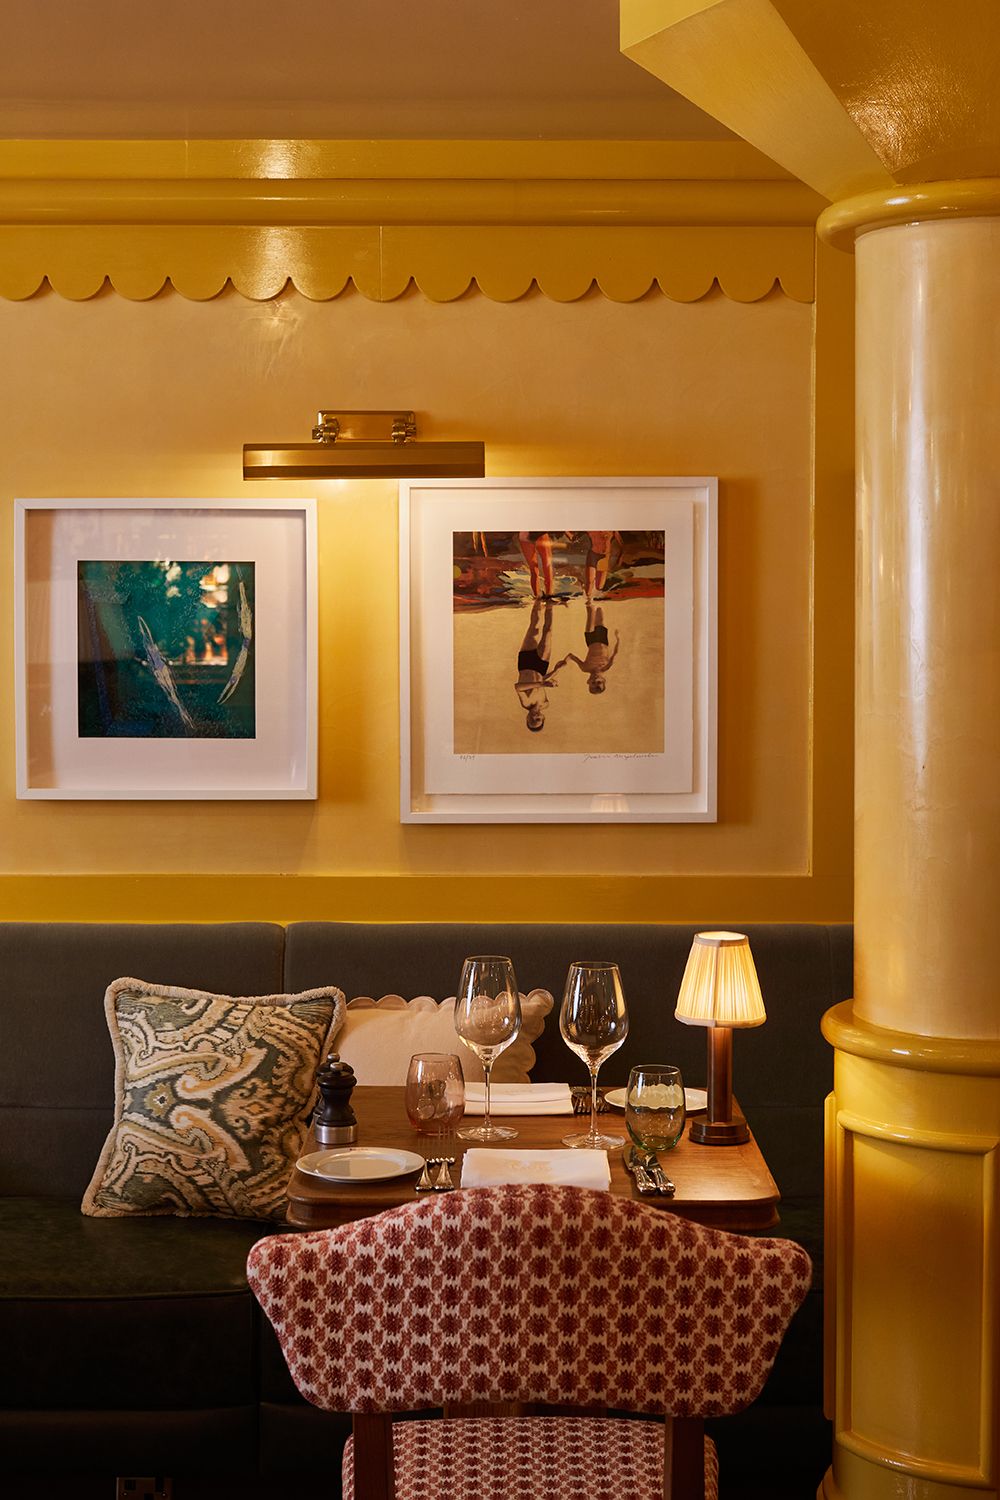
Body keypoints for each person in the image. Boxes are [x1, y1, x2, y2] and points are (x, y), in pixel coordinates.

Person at [514, 596, 565, 731]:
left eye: (532, 720)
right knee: (548, 632)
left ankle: (537, 601)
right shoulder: (545, 704)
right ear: (543, 718)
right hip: (541, 667)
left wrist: (542, 684)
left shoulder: (526, 703)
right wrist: (556, 670)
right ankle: (549, 605)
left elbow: (518, 687)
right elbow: (542, 681)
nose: (535, 717)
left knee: (535, 628)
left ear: (527, 718)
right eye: (538, 720)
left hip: (526, 664)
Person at [552, 601, 620, 695]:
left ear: (588, 681)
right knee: (600, 614)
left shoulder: (585, 668)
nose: (595, 679)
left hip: (591, 641)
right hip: (603, 640)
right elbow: (615, 653)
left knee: (590, 619)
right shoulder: (606, 667)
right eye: (598, 682)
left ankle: (589, 601)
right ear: (603, 680)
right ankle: (596, 599)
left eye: (593, 683)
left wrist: (564, 662)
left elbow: (571, 656)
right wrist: (618, 638)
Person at [583, 530, 622, 597]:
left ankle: (595, 599)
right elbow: (573, 535)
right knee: (590, 581)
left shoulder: (612, 529)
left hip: (604, 557)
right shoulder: (590, 528)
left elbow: (621, 543)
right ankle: (588, 601)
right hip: (593, 555)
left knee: (599, 586)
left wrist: (620, 557)